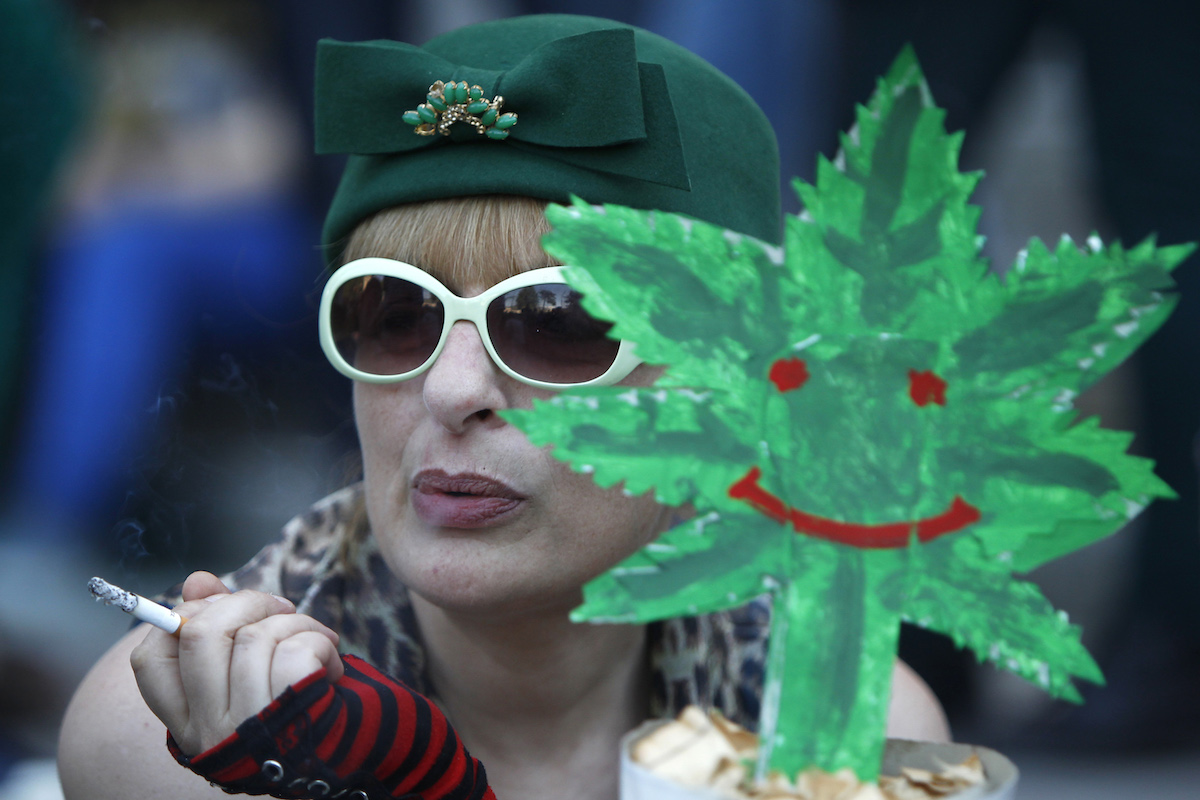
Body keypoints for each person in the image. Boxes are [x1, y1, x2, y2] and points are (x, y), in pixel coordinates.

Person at [57, 15, 949, 800]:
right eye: (395, 313)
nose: (451, 390)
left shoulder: (848, 734)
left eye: (558, 323)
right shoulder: (165, 741)